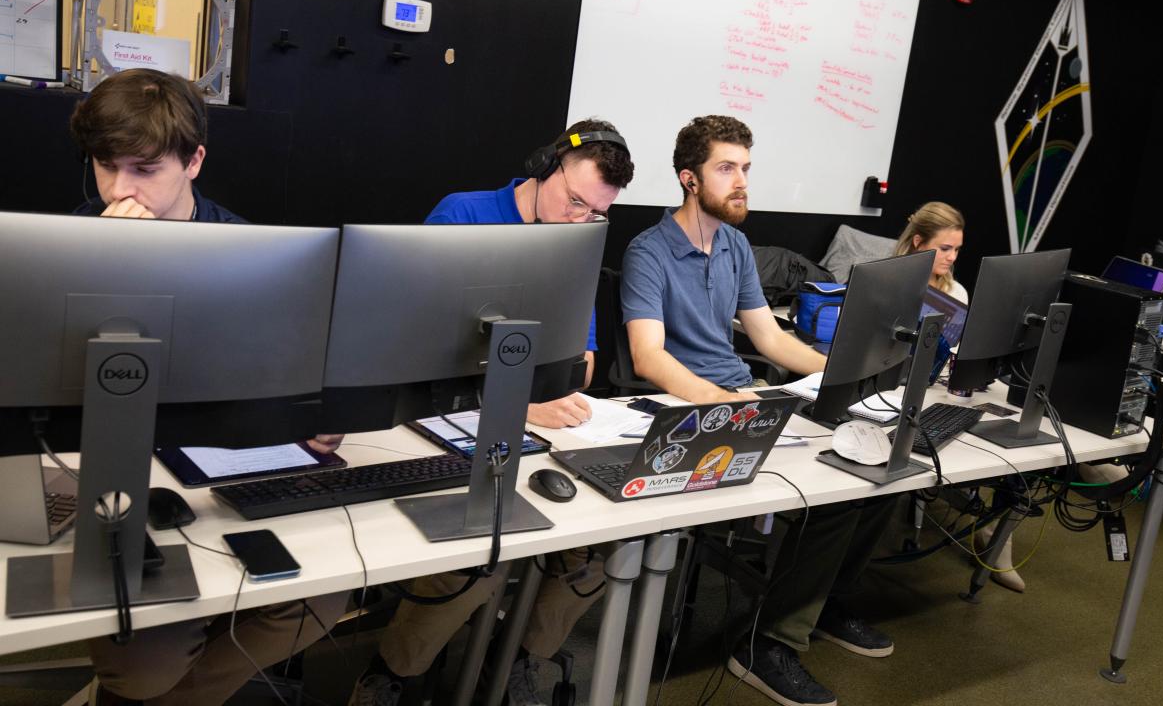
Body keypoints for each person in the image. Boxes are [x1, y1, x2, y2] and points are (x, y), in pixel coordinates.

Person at [70, 68, 348, 705]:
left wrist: (317, 413)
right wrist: (105, 263)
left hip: (229, 469)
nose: (119, 189)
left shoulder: (250, 253)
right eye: (105, 166)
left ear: (194, 161)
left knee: (320, 600)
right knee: (143, 668)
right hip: (121, 477)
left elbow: (296, 373)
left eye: (144, 169)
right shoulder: (70, 242)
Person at [349, 119, 635, 706]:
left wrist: (540, 395)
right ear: (545, 166)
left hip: (534, 431)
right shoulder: (464, 217)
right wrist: (521, 399)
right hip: (444, 421)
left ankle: (515, 660)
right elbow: (416, 347)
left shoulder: (578, 242)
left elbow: (581, 363)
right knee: (484, 546)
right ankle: (393, 672)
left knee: (602, 550)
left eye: (595, 213)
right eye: (574, 200)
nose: (580, 218)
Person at [622, 115, 892, 706]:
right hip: (687, 410)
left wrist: (840, 370)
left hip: (746, 401)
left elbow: (769, 341)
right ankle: (769, 643)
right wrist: (724, 401)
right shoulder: (649, 251)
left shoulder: (736, 244)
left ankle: (808, 612)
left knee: (872, 476)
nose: (741, 180)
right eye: (727, 168)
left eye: (745, 168)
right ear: (690, 179)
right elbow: (648, 357)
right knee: (829, 496)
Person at [895, 201, 1031, 592]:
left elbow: (956, 349)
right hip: (898, 392)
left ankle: (995, 536)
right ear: (919, 242)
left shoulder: (955, 290)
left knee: (1011, 443)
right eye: (945, 249)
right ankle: (973, 510)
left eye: (957, 250)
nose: (952, 258)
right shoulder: (890, 282)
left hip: (943, 387)